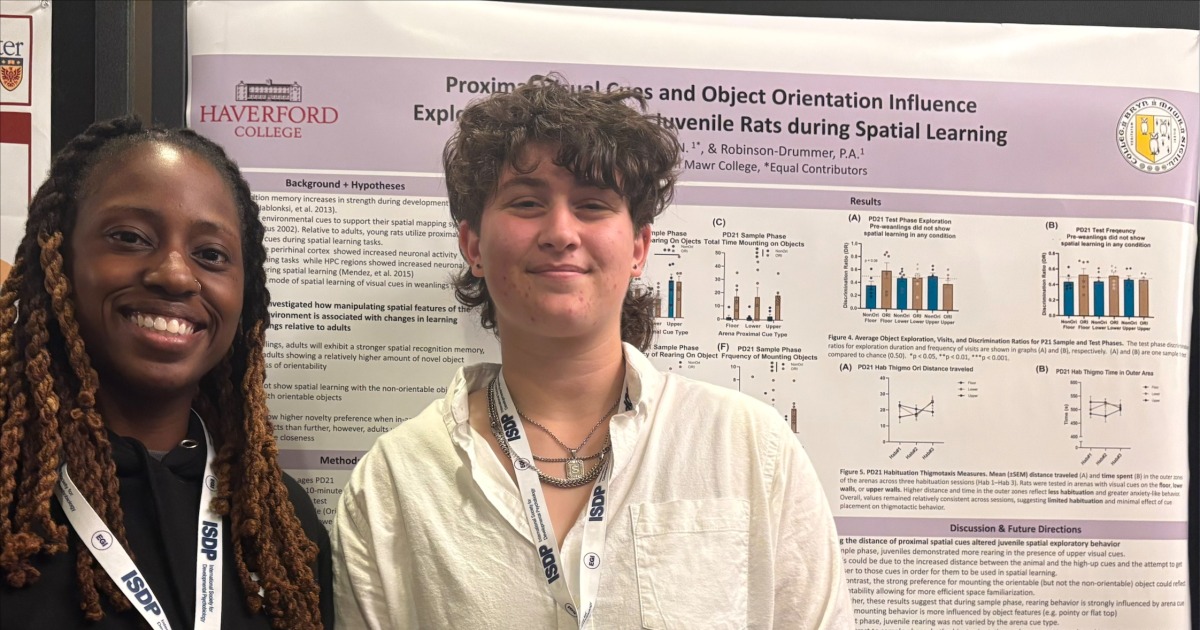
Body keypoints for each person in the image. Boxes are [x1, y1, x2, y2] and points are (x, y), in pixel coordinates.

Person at [333, 75, 853, 628]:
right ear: (474, 247)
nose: (561, 232)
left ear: (638, 249)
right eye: (526, 203)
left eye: (592, 205)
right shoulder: (395, 481)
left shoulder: (748, 447)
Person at [0, 117, 332, 629]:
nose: (176, 275)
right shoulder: (12, 501)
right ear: (58, 261)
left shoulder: (279, 520)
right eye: (131, 237)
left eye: (210, 254)